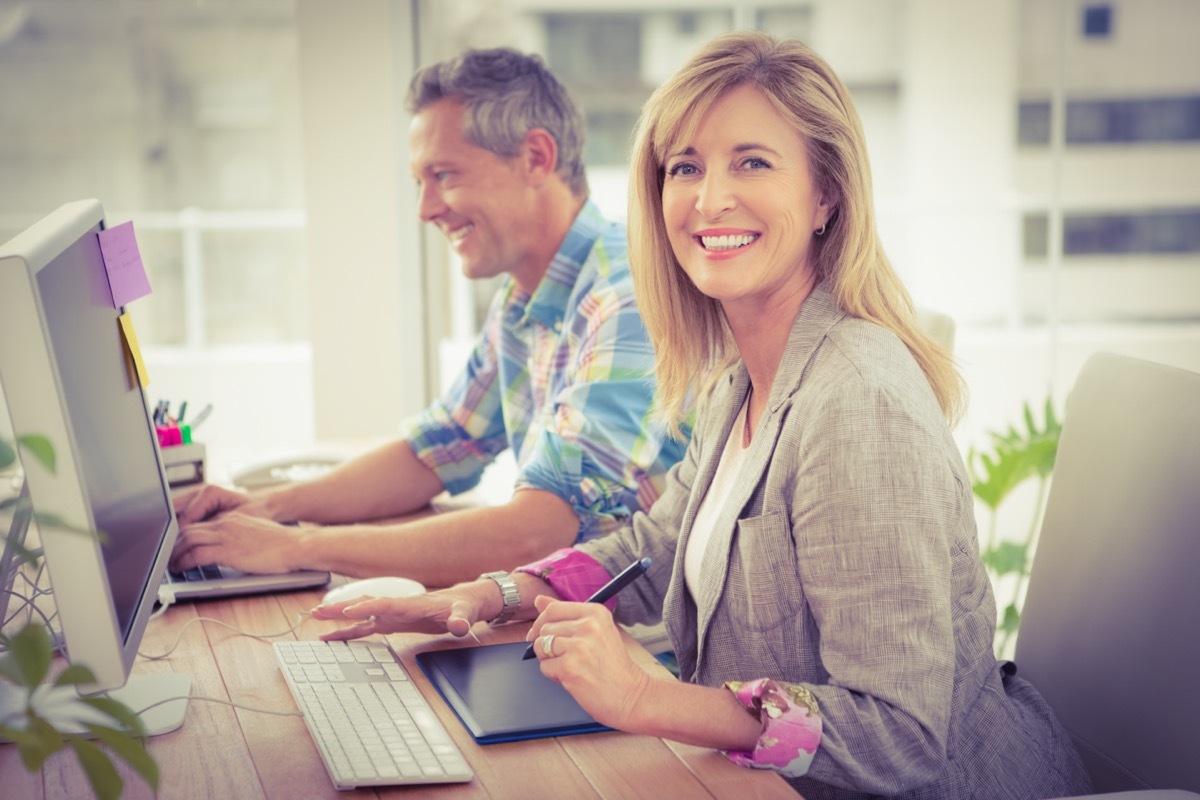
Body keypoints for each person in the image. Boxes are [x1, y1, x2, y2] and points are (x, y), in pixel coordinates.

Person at [312, 32, 1094, 800]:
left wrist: (650, 701)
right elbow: (657, 545)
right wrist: (491, 595)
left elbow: (902, 735)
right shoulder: (741, 371)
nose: (709, 198)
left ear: (826, 192)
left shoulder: (859, 400)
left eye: (751, 161)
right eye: (684, 167)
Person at [169, 47, 686, 587]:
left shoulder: (626, 296)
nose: (426, 208)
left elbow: (538, 532)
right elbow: (439, 448)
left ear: (535, 157)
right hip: (560, 612)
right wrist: (267, 507)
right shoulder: (526, 298)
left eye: (444, 175)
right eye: (421, 182)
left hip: (640, 641)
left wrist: (298, 546)